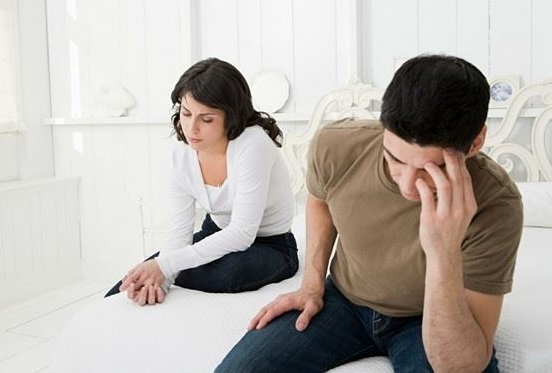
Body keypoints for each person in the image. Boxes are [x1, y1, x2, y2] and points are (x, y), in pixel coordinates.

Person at [216, 55, 523, 372]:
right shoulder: (337, 146)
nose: (407, 184)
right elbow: (321, 199)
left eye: (431, 168)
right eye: (395, 159)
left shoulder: (496, 203)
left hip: (427, 317)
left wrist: (442, 251)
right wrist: (312, 284)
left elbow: (460, 366)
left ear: (475, 142)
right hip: (344, 302)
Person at [104, 57, 298, 305]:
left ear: (231, 116)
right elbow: (179, 234)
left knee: (228, 273)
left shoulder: (253, 144)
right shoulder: (179, 155)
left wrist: (166, 266)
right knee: (137, 279)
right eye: (186, 113)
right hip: (215, 232)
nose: (191, 128)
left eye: (206, 119)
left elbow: (242, 233)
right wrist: (161, 278)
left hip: (271, 245)